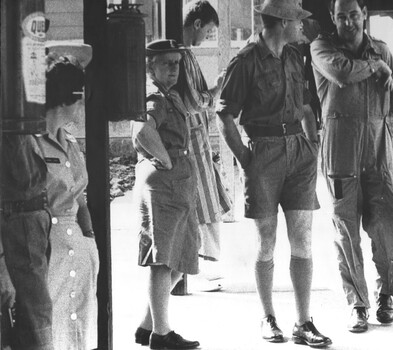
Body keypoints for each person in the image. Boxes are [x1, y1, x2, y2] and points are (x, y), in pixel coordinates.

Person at [216, 0, 332, 347]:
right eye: (297, 21)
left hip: (299, 152)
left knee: (303, 239)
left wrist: (313, 145)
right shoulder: (246, 61)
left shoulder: (296, 57)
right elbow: (224, 116)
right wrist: (245, 159)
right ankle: (268, 317)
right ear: (281, 22)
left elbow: (309, 105)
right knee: (266, 241)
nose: (302, 26)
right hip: (263, 153)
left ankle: (304, 321)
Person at [310, 0, 393, 333]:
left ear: (363, 14)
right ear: (333, 18)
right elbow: (341, 72)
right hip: (340, 151)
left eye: (353, 15)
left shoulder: (382, 50)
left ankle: (386, 295)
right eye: (341, 16)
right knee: (346, 230)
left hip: (380, 150)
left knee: (388, 223)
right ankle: (358, 304)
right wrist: (375, 68)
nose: (348, 22)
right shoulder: (322, 47)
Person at [132, 39, 200, 350]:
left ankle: (149, 325)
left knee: (181, 255)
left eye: (176, 63)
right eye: (165, 63)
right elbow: (142, 131)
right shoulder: (155, 96)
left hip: (178, 181)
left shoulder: (170, 94)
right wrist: (166, 158)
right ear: (151, 66)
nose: (173, 69)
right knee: (162, 260)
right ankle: (162, 334)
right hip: (165, 183)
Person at [38, 43, 100, 349]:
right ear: (68, 98)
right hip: (46, 251)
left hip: (78, 244)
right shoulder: (30, 144)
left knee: (78, 329)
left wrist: (89, 240)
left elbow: (81, 197)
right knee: (50, 329)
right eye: (80, 97)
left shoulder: (70, 141)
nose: (82, 105)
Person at [171, 0, 229, 294]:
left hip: (194, 138)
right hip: (191, 139)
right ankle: (207, 270)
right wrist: (215, 91)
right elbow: (193, 101)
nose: (205, 38)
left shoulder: (183, 55)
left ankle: (195, 269)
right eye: (206, 32)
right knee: (206, 204)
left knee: (203, 203)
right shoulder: (181, 55)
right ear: (196, 24)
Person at [1, 134, 51, 350]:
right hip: (18, 220)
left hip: (31, 219)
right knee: (36, 312)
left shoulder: (20, 124)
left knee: (35, 310)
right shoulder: (10, 126)